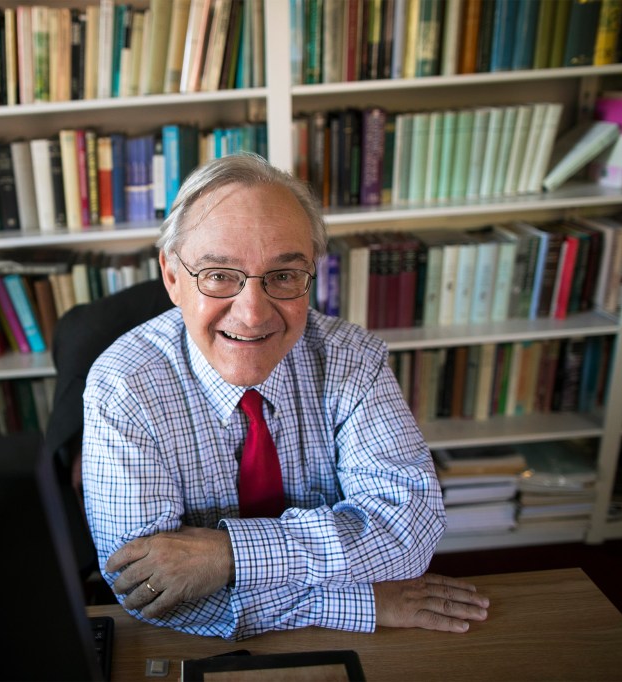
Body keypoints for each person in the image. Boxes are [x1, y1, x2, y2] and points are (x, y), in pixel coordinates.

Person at [81, 153, 489, 641]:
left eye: (284, 275)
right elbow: (148, 591)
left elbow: (408, 533)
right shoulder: (123, 386)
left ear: (310, 274)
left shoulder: (351, 358)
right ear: (172, 277)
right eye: (219, 275)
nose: (253, 314)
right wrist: (360, 600)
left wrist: (227, 556)